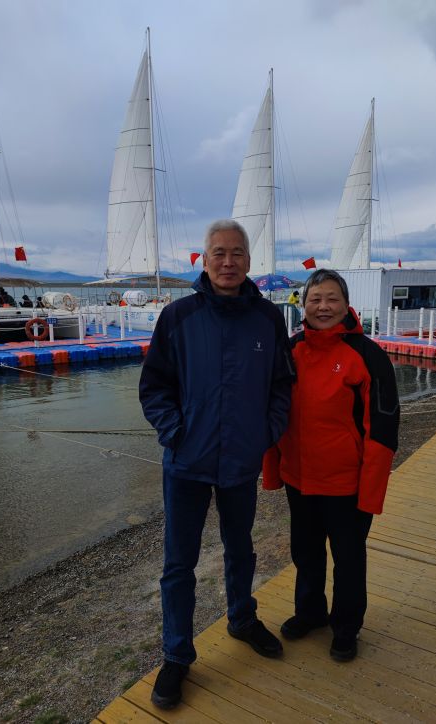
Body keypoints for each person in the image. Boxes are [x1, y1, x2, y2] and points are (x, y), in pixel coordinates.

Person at [139, 219, 294, 709]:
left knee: (241, 548)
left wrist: (265, 434)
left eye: (237, 253)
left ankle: (242, 618)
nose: (228, 262)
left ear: (249, 260)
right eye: (219, 253)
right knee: (178, 564)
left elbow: (282, 385)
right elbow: (154, 386)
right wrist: (175, 432)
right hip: (186, 462)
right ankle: (177, 655)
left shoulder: (267, 319)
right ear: (204, 260)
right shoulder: (178, 316)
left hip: (241, 462)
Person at [262, 269, 400, 662]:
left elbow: (383, 428)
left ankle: (346, 627)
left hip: (347, 484)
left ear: (346, 304)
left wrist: (371, 491)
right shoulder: (290, 351)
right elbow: (272, 412)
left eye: (332, 299)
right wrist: (272, 470)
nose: (323, 307)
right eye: (315, 299)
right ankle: (310, 612)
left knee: (348, 558)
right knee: (305, 552)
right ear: (303, 305)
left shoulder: (367, 355)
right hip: (300, 479)